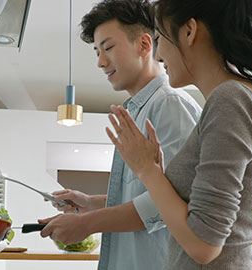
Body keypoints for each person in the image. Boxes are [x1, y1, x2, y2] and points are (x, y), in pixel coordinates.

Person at [105, 0, 252, 269]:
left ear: (189, 31)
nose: (158, 57)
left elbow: (204, 245)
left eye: (160, 39)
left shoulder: (230, 99)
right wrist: (156, 174)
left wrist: (147, 170)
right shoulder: (232, 98)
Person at [38, 1, 202, 269]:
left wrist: (86, 224)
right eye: (97, 52)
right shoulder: (139, 109)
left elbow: (171, 202)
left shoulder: (168, 105)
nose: (101, 62)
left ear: (145, 45)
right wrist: (90, 203)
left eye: (109, 48)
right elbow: (150, 193)